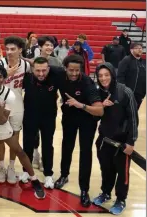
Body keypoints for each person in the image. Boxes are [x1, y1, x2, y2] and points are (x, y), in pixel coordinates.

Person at [0, 64, 45, 198]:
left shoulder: (9, 95)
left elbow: (3, 121)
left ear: (4, 79)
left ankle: (34, 179)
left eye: (0, 76)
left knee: (19, 150)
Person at [53, 54, 104, 207]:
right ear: (65, 69)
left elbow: (100, 110)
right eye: (71, 70)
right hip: (69, 117)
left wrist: (80, 104)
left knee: (85, 152)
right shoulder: (60, 74)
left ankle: (84, 189)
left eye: (77, 70)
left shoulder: (87, 83)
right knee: (66, 146)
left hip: (87, 119)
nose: (74, 73)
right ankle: (64, 175)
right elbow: (41, 64)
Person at [93, 63, 138, 215]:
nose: (103, 78)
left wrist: (131, 142)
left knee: (122, 173)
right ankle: (106, 192)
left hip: (122, 142)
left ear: (112, 74)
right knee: (106, 170)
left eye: (106, 75)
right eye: (100, 76)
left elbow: (133, 118)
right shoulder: (98, 93)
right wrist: (102, 107)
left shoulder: (125, 92)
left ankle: (121, 199)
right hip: (104, 140)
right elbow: (93, 116)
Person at [0, 36, 30, 182]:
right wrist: (7, 75)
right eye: (7, 49)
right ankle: (1, 166)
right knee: (1, 137)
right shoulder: (0, 63)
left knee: (15, 136)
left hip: (18, 104)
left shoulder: (25, 65)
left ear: (20, 50)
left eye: (13, 49)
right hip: (1, 104)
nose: (9, 52)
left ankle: (12, 166)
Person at [21, 57, 61, 189]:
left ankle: (48, 174)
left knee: (47, 144)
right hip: (30, 115)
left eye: (44, 70)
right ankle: (26, 170)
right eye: (38, 70)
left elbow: (64, 69)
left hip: (48, 117)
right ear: (32, 69)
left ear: (49, 68)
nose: (41, 74)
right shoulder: (26, 78)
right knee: (28, 143)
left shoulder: (55, 76)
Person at [117, 42, 146, 109]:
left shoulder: (144, 62)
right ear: (131, 50)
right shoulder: (126, 60)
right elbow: (120, 76)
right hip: (130, 94)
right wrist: (124, 91)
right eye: (137, 48)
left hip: (141, 94)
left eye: (141, 48)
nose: (140, 50)